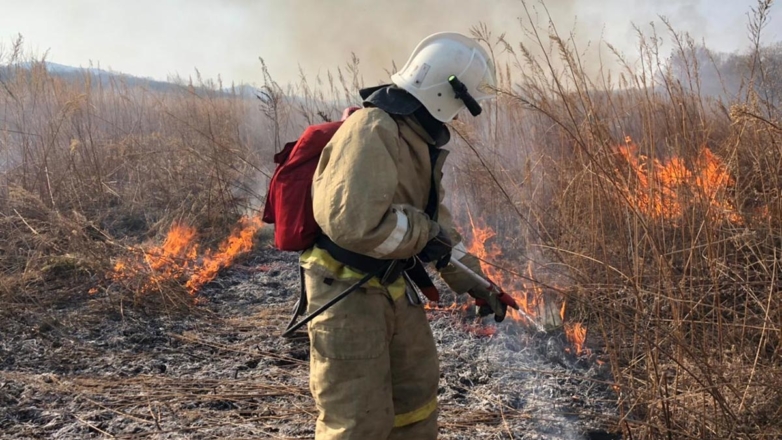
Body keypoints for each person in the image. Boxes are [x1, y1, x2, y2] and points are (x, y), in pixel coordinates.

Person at [299, 32, 517, 440]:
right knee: (356, 421)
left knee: (415, 402)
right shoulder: (372, 128)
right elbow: (351, 222)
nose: (456, 116)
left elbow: (438, 227)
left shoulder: (415, 137)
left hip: (393, 287)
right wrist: (424, 233)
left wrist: (480, 285)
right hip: (345, 292)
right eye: (459, 105)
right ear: (443, 91)